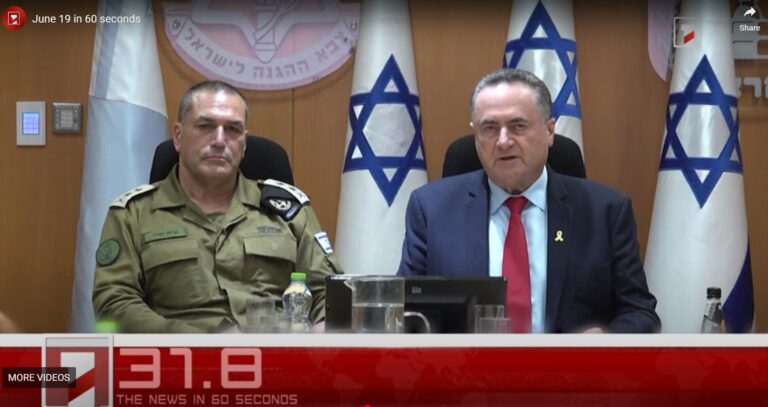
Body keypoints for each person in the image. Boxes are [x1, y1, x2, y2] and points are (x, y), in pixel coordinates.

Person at [397, 69, 660, 333]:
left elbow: (639, 311)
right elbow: (403, 311)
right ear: (476, 136)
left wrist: (606, 338)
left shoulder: (606, 212)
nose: (503, 141)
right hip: (466, 360)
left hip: (570, 360)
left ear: (549, 131)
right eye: (489, 128)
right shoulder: (432, 209)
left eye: (518, 126)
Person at [93, 80, 342, 333]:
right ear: (178, 136)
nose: (220, 140)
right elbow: (113, 302)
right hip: (179, 353)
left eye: (233, 129)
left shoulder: (289, 212)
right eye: (205, 126)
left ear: (244, 144)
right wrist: (201, 342)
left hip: (279, 351)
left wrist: (322, 333)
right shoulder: (133, 214)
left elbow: (329, 291)